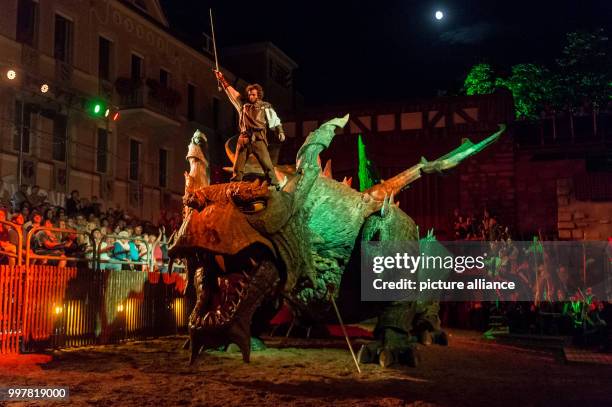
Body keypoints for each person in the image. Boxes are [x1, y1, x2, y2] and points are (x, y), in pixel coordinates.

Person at [214, 69, 286, 187]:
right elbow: (231, 91)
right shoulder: (243, 105)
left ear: (258, 95)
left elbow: (275, 120)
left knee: (267, 166)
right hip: (244, 140)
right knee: (237, 167)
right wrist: (221, 79)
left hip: (258, 140)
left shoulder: (265, 106)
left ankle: (275, 186)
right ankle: (234, 186)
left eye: (253, 94)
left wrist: (280, 131)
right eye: (249, 94)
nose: (250, 96)